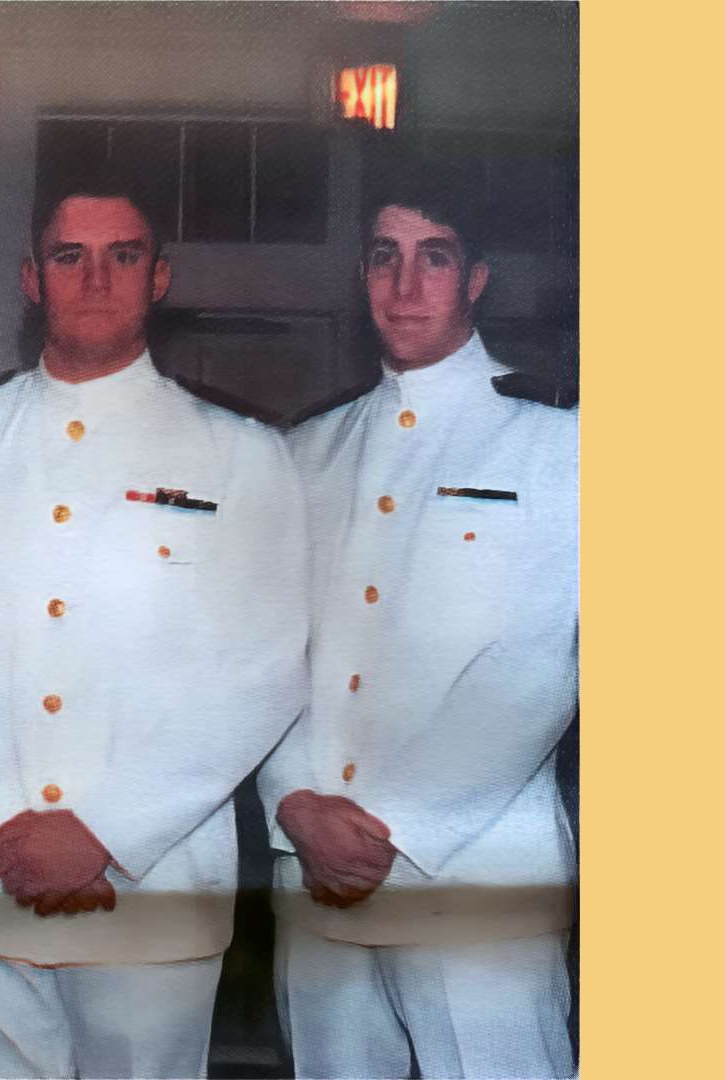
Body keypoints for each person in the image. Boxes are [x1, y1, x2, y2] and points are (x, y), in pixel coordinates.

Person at [0, 186, 309, 1078]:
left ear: (159, 278)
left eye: (123, 253)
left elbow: (264, 672)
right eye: (70, 255)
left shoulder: (241, 453)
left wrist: (101, 831)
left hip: (153, 884)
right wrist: (5, 816)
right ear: (33, 280)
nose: (96, 276)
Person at [259, 167, 578, 1079]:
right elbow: (268, 653)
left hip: (473, 868)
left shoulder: (560, 442)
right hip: (314, 863)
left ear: (476, 278)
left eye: (433, 259)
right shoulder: (307, 449)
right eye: (384, 258)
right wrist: (294, 803)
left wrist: (394, 827)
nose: (405, 287)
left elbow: (539, 663)